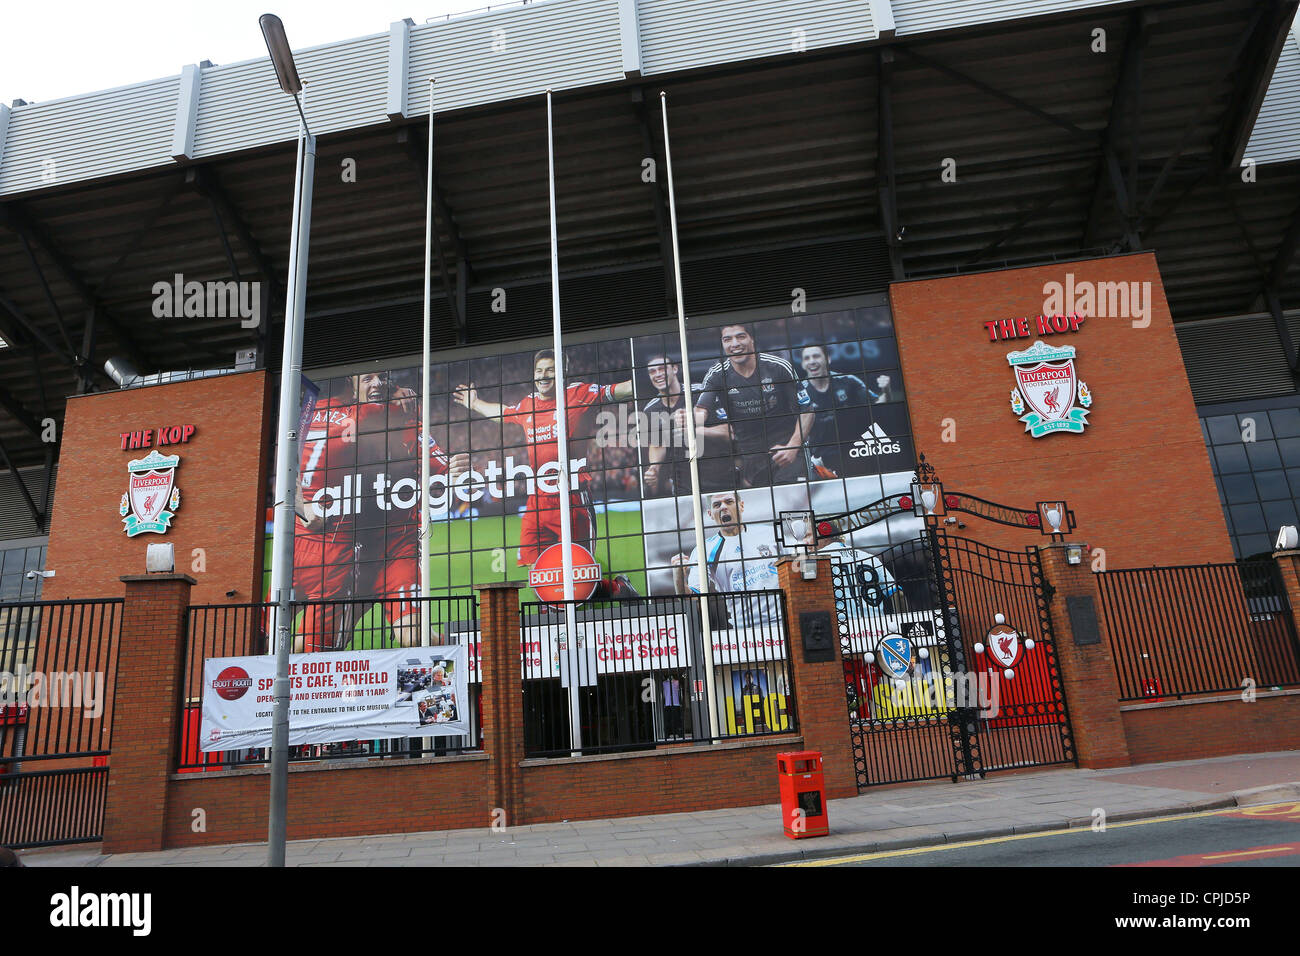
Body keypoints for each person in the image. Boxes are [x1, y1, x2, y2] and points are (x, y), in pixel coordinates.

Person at [292, 372, 468, 652]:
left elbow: (443, 469)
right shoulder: (346, 417)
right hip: (348, 555)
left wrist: (456, 470)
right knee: (309, 646)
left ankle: (466, 659)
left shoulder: (411, 425)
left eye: (384, 379)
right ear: (352, 386)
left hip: (395, 548)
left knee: (413, 637)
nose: (378, 384)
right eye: (368, 379)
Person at [454, 350, 638, 599]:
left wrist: (650, 379)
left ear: (561, 372)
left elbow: (617, 390)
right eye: (539, 370)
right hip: (537, 501)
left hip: (572, 498)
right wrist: (475, 403)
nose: (544, 375)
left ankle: (616, 589)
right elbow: (504, 412)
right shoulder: (529, 403)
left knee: (580, 574)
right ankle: (555, 606)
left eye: (550, 369)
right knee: (537, 570)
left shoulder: (577, 394)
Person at [694, 324, 815, 488]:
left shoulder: (778, 367)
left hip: (788, 451)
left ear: (752, 339)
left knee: (794, 506)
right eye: (727, 339)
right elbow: (701, 410)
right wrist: (692, 419)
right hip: (752, 461)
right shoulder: (716, 374)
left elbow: (807, 411)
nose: (734, 343)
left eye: (740, 336)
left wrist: (792, 447)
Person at [670, 490, 784, 627]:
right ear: (710, 514)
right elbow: (693, 602)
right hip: (745, 629)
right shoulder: (705, 550)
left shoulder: (769, 533)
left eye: (729, 502)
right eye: (717, 505)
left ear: (741, 506)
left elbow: (796, 566)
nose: (723, 507)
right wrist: (678, 576)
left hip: (783, 620)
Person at [798, 345, 871, 479]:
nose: (812, 361)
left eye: (816, 356)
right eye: (807, 358)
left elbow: (878, 405)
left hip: (854, 454)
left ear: (828, 359)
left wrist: (887, 389)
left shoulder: (849, 381)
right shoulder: (800, 392)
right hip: (819, 462)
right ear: (803, 364)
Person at [661, 671, 684, 739]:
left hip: (676, 703)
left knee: (677, 720)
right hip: (667, 704)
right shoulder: (664, 683)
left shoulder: (677, 682)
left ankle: (679, 733)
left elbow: (680, 693)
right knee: (668, 720)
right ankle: (667, 734)